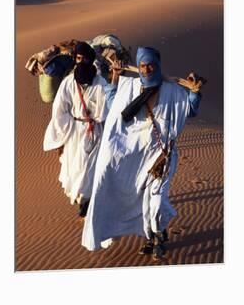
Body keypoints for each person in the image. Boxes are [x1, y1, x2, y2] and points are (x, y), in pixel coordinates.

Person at [81, 46, 201, 259]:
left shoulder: (172, 90)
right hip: (134, 156)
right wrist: (115, 79)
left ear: (158, 64)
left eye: (151, 65)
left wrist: (194, 92)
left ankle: (157, 238)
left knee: (155, 201)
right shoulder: (129, 87)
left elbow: (189, 109)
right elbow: (113, 105)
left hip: (160, 156)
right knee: (138, 198)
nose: (146, 70)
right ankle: (153, 236)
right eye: (143, 65)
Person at [43, 41, 108, 218]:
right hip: (74, 131)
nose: (82, 62)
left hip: (95, 131)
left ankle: (86, 201)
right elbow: (59, 110)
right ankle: (82, 199)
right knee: (74, 168)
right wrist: (62, 136)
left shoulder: (100, 82)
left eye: (85, 59)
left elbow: (105, 111)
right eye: (79, 58)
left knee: (89, 167)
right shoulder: (68, 82)